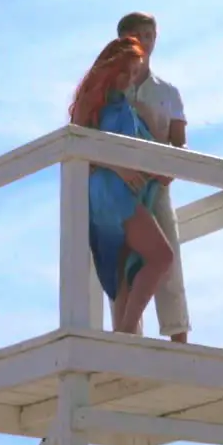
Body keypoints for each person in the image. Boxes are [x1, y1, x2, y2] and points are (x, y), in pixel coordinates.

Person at [69, 36, 174, 336]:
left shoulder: (125, 106)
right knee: (160, 256)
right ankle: (126, 332)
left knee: (126, 268)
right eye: (124, 71)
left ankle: (125, 335)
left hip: (123, 189)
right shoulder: (94, 104)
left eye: (134, 73)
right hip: (109, 191)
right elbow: (80, 146)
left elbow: (141, 148)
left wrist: (155, 172)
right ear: (110, 68)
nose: (128, 79)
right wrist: (119, 167)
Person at [116, 11, 192, 344]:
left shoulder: (168, 92)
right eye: (137, 36)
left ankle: (179, 341)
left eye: (149, 35)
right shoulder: (113, 89)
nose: (145, 43)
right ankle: (131, 342)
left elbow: (179, 141)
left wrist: (169, 170)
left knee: (169, 260)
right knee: (122, 266)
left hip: (156, 186)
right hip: (121, 188)